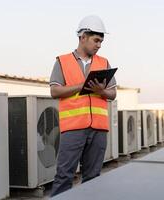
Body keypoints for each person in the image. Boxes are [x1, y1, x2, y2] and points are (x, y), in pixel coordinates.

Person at [49, 15, 117, 197]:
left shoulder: (104, 62)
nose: (99, 45)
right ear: (83, 37)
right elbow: (54, 92)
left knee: (93, 178)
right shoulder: (62, 61)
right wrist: (82, 85)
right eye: (96, 40)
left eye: (101, 41)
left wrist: (101, 91)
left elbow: (113, 93)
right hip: (73, 129)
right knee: (64, 176)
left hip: (99, 130)